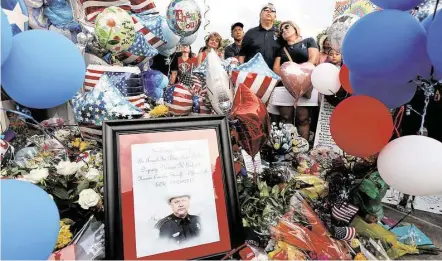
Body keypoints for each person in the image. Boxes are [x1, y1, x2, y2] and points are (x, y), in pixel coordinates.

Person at [270, 20, 319, 140]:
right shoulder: (280, 48)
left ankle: (303, 151)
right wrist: (288, 80)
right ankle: (285, 150)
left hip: (305, 84)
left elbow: (314, 59)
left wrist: (300, 76)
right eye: (281, 31)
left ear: (295, 28)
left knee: (303, 119)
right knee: (285, 119)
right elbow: (276, 68)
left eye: (286, 27)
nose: (284, 31)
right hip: (285, 86)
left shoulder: (309, 41)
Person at [238, 3, 281, 69]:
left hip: (274, 76)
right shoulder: (250, 32)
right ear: (260, 15)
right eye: (265, 9)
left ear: (275, 16)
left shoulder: (280, 34)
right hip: (252, 75)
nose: (269, 11)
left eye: (272, 10)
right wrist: (241, 70)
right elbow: (242, 54)